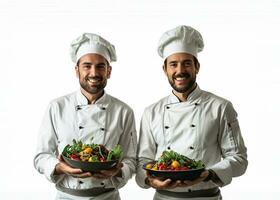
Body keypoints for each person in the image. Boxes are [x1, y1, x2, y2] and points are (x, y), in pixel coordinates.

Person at [136, 25, 248, 200]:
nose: (180, 71)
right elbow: (143, 160)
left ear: (197, 66)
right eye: (173, 64)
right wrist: (151, 181)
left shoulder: (220, 107)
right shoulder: (152, 112)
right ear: (165, 69)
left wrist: (209, 174)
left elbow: (239, 159)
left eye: (187, 63)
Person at [34, 33, 137, 200]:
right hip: (66, 197)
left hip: (108, 197)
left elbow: (131, 160)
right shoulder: (57, 107)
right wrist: (60, 167)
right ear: (77, 70)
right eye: (87, 66)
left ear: (109, 71)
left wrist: (118, 170)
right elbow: (41, 156)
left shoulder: (124, 111)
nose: (94, 73)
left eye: (100, 66)